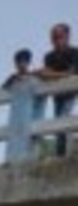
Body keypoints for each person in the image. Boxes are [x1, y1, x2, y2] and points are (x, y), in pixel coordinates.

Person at [38, 23, 77, 157]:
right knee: (57, 123)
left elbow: (73, 73)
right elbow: (45, 76)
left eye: (59, 36)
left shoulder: (74, 52)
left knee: (63, 119)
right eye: (53, 37)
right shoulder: (49, 56)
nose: (56, 40)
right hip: (57, 95)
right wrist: (63, 75)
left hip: (70, 93)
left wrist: (54, 75)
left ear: (67, 36)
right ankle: (61, 154)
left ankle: (64, 154)